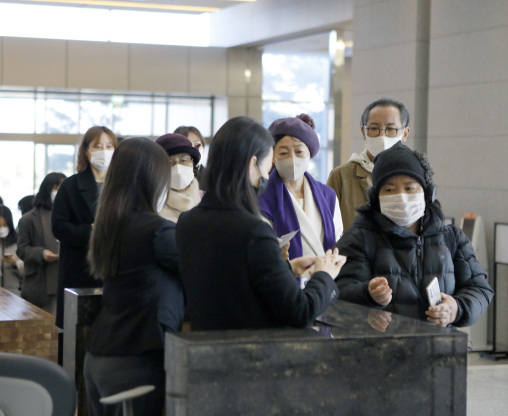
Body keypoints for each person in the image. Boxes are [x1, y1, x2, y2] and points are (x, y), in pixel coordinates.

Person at [176, 116, 345, 332]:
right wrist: (324, 275)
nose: (267, 176)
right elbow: (300, 311)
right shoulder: (255, 231)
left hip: (204, 349)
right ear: (252, 165)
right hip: (251, 355)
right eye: (267, 168)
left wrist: (285, 268)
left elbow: (231, 281)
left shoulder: (188, 222)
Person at [335, 142, 494, 327]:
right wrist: (367, 294)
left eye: (410, 188)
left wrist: (456, 309)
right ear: (375, 197)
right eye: (390, 189)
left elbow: (479, 289)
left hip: (438, 351)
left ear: (427, 193)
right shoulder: (359, 239)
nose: (401, 196)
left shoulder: (452, 238)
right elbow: (337, 291)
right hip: (381, 350)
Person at [84, 138, 183, 416]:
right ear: (152, 180)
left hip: (99, 357)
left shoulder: (110, 224)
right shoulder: (157, 231)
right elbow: (203, 268)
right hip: (135, 361)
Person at [259, 115, 343, 285]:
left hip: (325, 284)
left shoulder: (328, 195)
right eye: (283, 152)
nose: (292, 158)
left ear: (309, 154)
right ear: (272, 156)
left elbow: (338, 240)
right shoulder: (261, 197)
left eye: (299, 151)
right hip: (283, 285)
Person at [52, 126, 117, 329]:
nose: (104, 151)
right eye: (98, 146)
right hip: (79, 271)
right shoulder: (70, 186)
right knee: (78, 334)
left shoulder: (121, 186)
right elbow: (58, 227)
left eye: (109, 146)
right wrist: (91, 230)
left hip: (114, 271)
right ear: (86, 152)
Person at [327, 98, 411, 231]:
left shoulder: (415, 175)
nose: (382, 136)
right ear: (364, 132)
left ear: (405, 133)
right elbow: (327, 226)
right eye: (374, 128)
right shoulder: (342, 176)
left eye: (390, 129)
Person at [17, 173, 66, 314]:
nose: (59, 192)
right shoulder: (28, 219)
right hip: (40, 284)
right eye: (56, 188)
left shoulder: (72, 217)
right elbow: (21, 249)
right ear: (47, 189)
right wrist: (42, 253)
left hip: (66, 282)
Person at [155, 134, 202, 223]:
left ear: (192, 162)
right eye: (169, 163)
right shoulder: (154, 205)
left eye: (183, 160)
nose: (177, 168)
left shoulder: (204, 199)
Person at [174, 126, 207, 190]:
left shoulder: (211, 179)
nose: (193, 149)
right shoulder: (168, 178)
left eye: (197, 144)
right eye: (187, 145)